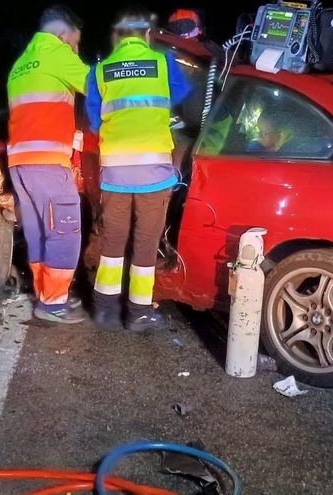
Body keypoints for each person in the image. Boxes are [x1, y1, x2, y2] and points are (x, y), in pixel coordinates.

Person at [85, 7, 191, 332]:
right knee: (146, 242)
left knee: (113, 242)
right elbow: (182, 94)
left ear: (117, 37)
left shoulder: (99, 71)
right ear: (147, 35)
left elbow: (93, 121)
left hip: (116, 174)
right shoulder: (163, 63)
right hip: (154, 174)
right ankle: (138, 314)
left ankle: (104, 311)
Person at [6, 5, 89, 324]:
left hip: (20, 163)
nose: (76, 50)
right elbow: (97, 87)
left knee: (40, 230)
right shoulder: (56, 53)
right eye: (75, 43)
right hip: (48, 162)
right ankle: (54, 303)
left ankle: (47, 293)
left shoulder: (21, 64)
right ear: (62, 34)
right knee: (65, 230)